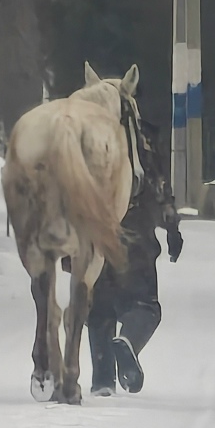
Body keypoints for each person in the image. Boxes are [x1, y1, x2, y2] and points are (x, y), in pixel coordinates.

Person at [88, 118, 182, 396]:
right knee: (145, 306)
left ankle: (103, 381)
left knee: (99, 310)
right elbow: (160, 185)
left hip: (95, 236)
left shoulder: (86, 140)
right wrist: (172, 228)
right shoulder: (141, 139)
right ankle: (127, 342)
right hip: (135, 236)